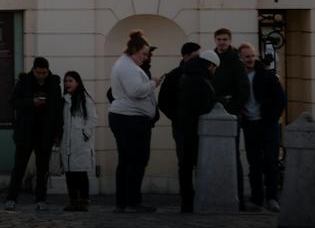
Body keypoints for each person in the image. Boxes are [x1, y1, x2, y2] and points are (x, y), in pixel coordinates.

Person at [107, 31, 159, 213]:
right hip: (130, 120)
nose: (146, 57)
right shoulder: (127, 66)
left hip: (128, 118)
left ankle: (124, 202)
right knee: (135, 160)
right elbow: (135, 91)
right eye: (144, 54)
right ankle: (131, 201)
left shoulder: (126, 64)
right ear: (135, 50)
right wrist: (153, 83)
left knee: (128, 160)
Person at [3, 57, 64, 211]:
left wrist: (58, 133)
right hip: (26, 132)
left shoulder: (54, 84)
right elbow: (13, 102)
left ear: (48, 70)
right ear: (34, 70)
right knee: (19, 167)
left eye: (44, 73)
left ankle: (41, 199)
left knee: (43, 169)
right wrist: (31, 103)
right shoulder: (24, 82)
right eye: (39, 73)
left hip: (46, 133)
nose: (41, 76)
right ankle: (11, 198)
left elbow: (58, 110)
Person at [170, 46, 221, 214]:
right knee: (197, 166)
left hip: (185, 127)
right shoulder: (201, 80)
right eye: (214, 68)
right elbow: (205, 106)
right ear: (210, 65)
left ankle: (187, 201)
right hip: (196, 130)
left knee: (185, 167)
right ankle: (197, 200)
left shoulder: (186, 75)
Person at [213, 27, 251, 208]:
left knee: (233, 154)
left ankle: (238, 199)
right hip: (213, 113)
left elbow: (244, 90)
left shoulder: (236, 62)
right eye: (219, 39)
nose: (222, 42)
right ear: (215, 40)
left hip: (231, 113)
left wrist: (232, 109)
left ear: (229, 40)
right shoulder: (210, 59)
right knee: (213, 153)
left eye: (225, 39)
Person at [245, 46, 286, 213]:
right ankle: (256, 199)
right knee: (254, 164)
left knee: (271, 163)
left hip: (268, 125)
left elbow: (281, 99)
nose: (250, 59)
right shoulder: (239, 77)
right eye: (246, 56)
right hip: (250, 124)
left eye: (252, 55)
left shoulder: (267, 75)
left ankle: (272, 198)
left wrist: (272, 118)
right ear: (241, 58)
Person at [60, 71, 96, 212]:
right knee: (69, 173)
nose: (67, 83)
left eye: (70, 81)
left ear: (78, 82)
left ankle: (84, 201)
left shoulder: (85, 99)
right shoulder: (65, 100)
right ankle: (73, 200)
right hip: (67, 142)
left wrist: (85, 134)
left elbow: (92, 119)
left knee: (80, 173)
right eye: (66, 81)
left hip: (80, 142)